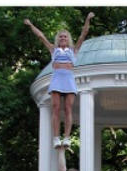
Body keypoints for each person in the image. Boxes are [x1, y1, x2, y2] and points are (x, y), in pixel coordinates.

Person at [24, 13, 95, 148]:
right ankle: (56, 138)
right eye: (61, 37)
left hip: (68, 78)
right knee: (56, 108)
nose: (63, 38)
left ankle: (67, 138)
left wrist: (87, 19)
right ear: (58, 39)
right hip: (57, 78)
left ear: (68, 39)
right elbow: (41, 36)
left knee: (68, 108)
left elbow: (83, 34)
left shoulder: (73, 50)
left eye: (65, 37)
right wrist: (31, 25)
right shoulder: (53, 50)